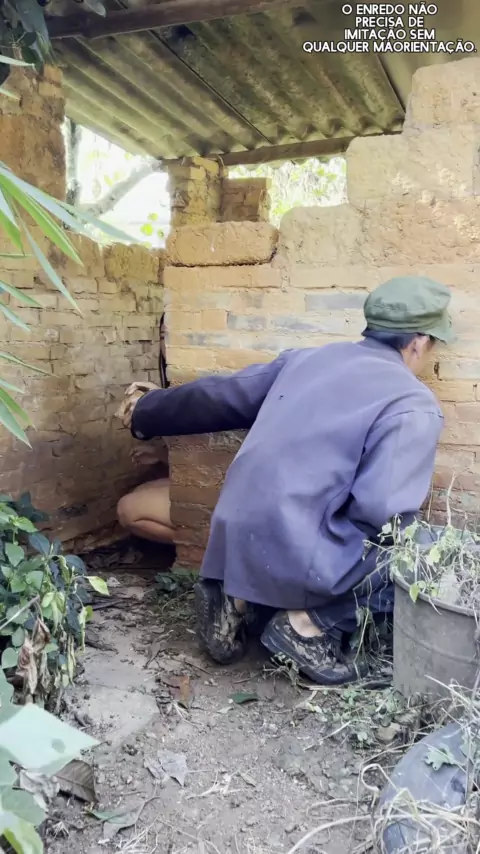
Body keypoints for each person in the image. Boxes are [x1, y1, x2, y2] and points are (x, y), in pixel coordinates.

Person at [117, 276, 453, 685]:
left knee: (298, 516)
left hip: (233, 535)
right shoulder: (412, 403)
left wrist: (147, 409)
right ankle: (305, 627)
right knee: (421, 547)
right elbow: (382, 511)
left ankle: (235, 598)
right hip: (297, 549)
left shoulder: (305, 361)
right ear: (418, 342)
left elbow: (222, 396)